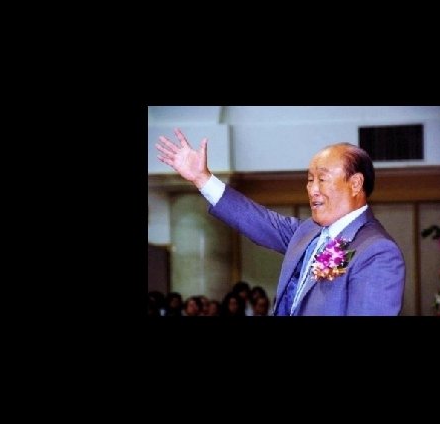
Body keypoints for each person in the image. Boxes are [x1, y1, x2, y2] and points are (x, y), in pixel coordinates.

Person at [155, 129, 405, 316]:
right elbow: (257, 220)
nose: (312, 189)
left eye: (322, 179)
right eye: (309, 180)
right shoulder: (309, 232)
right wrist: (202, 179)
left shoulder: (376, 251)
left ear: (356, 184)